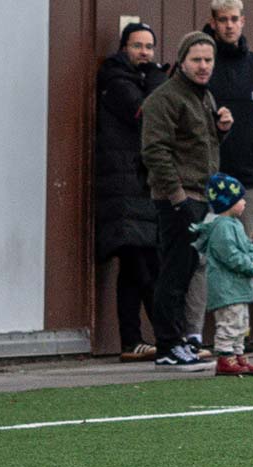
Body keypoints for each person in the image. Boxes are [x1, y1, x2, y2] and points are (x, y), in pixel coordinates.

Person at [182, 0, 253, 356]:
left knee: (243, 261)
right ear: (212, 22)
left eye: (234, 19)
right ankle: (193, 337)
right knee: (202, 263)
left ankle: (237, 339)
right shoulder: (202, 65)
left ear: (243, 21)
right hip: (207, 183)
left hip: (251, 185)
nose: (229, 26)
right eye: (222, 20)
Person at [141, 31, 232, 370]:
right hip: (178, 199)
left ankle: (179, 341)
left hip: (201, 195)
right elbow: (155, 151)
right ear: (181, 61)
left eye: (208, 60)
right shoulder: (165, 98)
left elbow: (200, 148)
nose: (204, 66)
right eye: (196, 60)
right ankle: (167, 345)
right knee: (174, 272)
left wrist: (221, 130)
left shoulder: (204, 97)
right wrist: (178, 199)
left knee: (187, 270)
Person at [94, 22, 169, 362]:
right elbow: (146, 112)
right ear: (124, 47)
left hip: (140, 190)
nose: (145, 53)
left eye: (149, 47)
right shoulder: (116, 80)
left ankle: (132, 341)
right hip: (124, 190)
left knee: (133, 269)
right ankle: (170, 338)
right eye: (138, 46)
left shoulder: (139, 79)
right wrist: (157, 76)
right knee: (143, 268)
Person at [190, 173, 253, 376]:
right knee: (229, 323)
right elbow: (230, 255)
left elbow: (248, 247)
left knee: (241, 324)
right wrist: (251, 268)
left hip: (239, 287)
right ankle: (225, 357)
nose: (244, 202)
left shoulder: (235, 225)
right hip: (226, 287)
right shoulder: (221, 227)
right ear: (228, 202)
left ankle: (238, 355)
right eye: (240, 199)